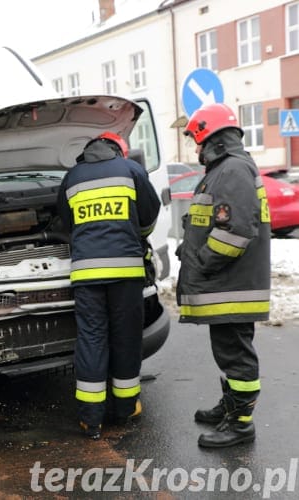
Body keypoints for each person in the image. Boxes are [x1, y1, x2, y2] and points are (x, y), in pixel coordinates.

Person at [58, 132, 161, 440]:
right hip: (126, 273)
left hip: (87, 276)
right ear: (118, 150)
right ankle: (126, 409)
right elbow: (150, 214)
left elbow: (67, 223)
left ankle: (91, 420)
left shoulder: (72, 177)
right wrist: (136, 233)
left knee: (91, 339)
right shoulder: (131, 170)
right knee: (126, 338)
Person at [179, 103, 270, 448]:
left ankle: (241, 425)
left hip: (231, 285)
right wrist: (189, 250)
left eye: (196, 140)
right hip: (228, 283)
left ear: (209, 136)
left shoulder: (231, 170)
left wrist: (201, 262)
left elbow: (235, 232)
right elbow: (212, 222)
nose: (196, 148)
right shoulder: (227, 168)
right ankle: (231, 408)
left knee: (236, 354)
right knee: (228, 351)